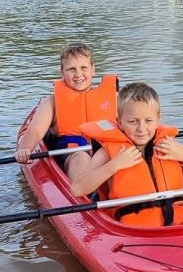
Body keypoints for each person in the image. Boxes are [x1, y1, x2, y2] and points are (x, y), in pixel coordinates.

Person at [71, 81, 183, 227]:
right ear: (120, 122)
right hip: (133, 229)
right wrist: (114, 165)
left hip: (181, 224)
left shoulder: (166, 145)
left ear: (158, 120)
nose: (141, 128)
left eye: (148, 121)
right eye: (133, 121)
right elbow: (77, 189)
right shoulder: (108, 153)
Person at [16, 43, 118, 181]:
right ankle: (85, 192)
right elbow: (35, 130)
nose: (78, 75)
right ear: (62, 71)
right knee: (81, 157)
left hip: (104, 152)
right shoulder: (52, 103)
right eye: (71, 69)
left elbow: (133, 125)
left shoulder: (113, 99)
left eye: (84, 68)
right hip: (72, 155)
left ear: (93, 69)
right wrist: (25, 149)